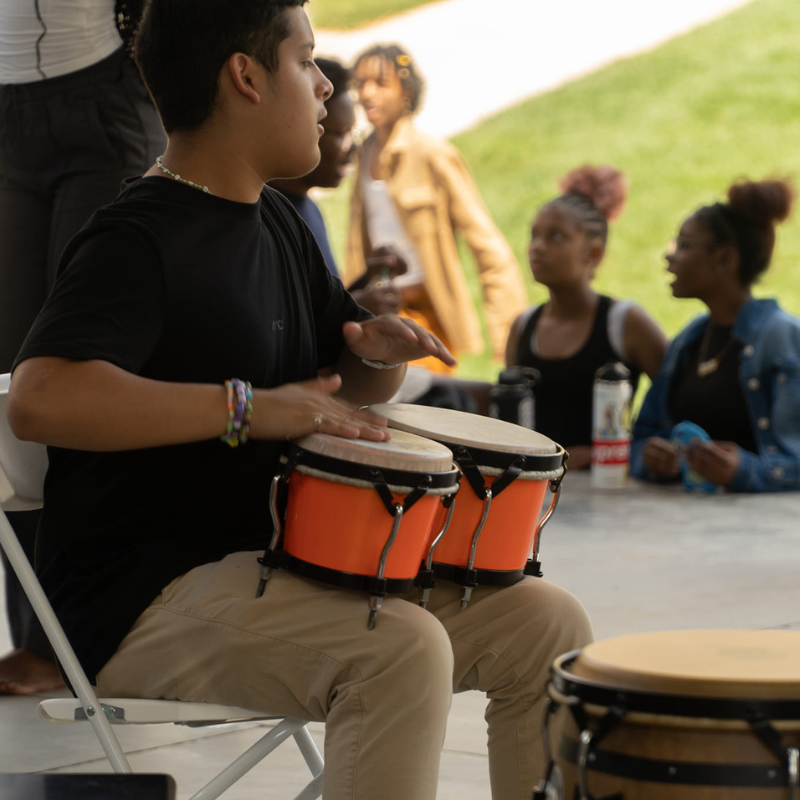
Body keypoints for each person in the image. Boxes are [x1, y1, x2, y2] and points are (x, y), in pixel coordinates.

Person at [7, 4, 592, 800]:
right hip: (141, 601)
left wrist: (370, 360)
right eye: (307, 60)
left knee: (544, 625)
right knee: (399, 649)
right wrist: (246, 409)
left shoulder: (278, 222)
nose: (324, 87)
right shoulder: (135, 237)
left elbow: (329, 390)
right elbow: (42, 399)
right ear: (244, 76)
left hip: (275, 569)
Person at [0, 0, 166, 694]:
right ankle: (37, 634)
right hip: (8, 111)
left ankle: (86, 632)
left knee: (83, 372)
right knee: (15, 393)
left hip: (104, 92)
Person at [343, 43, 527, 371]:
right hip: (380, 311)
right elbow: (357, 247)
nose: (367, 94)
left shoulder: (433, 154)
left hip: (428, 313)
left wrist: (509, 343)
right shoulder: (363, 155)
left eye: (380, 84)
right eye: (361, 85)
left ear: (407, 91)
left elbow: (488, 248)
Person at [631, 178, 800, 492]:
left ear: (725, 259)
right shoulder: (689, 340)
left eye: (683, 245)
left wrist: (745, 470)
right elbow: (641, 438)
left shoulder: (783, 339)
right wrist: (650, 458)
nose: (669, 257)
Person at [506, 165, 667, 467]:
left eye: (555, 237)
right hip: (536, 490)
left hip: (608, 494)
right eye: (534, 235)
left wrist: (608, 454)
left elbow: (676, 406)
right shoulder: (523, 326)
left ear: (594, 253)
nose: (537, 247)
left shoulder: (626, 323)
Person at [270, 56, 405, 316]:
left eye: (352, 133)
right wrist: (358, 309)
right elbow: (292, 333)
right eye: (339, 133)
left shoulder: (309, 208)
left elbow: (324, 304)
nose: (352, 147)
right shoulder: (274, 220)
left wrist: (368, 279)